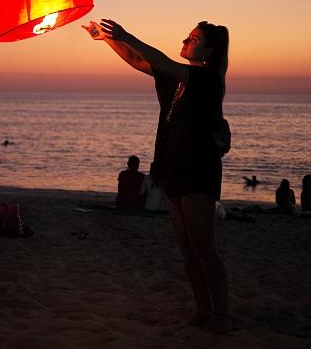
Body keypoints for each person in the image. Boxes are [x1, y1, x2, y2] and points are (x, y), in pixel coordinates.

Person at [85, 18, 231, 334]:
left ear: (208, 50)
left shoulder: (207, 78)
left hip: (197, 166)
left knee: (203, 245)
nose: (186, 40)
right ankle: (202, 307)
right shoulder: (175, 79)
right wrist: (108, 41)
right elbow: (140, 61)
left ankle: (221, 313)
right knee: (185, 246)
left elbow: (160, 59)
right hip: (172, 163)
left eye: (193, 38)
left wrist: (126, 34)